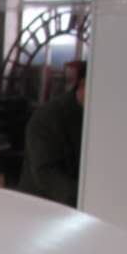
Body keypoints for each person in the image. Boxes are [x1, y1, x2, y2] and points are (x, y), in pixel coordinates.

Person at [17, 60, 86, 207]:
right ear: (82, 85)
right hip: (39, 208)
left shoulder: (92, 118)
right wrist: (86, 198)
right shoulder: (48, 117)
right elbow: (46, 175)